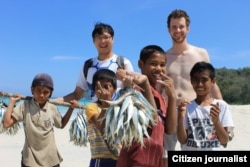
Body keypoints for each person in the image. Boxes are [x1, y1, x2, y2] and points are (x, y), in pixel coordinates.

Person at [164, 9, 223, 153]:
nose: (178, 30)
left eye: (181, 26)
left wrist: (221, 110)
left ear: (188, 28)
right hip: (169, 112)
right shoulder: (164, 57)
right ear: (168, 30)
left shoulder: (200, 53)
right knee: (165, 155)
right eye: (174, 27)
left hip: (194, 111)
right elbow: (159, 88)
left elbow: (212, 84)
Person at [116, 45, 177, 167]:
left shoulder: (161, 98)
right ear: (140, 64)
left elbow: (170, 130)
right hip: (135, 160)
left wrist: (172, 97)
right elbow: (152, 119)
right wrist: (144, 83)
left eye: (162, 64)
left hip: (154, 160)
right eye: (153, 64)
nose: (159, 68)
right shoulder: (135, 91)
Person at [3, 73, 79, 167]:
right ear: (32, 90)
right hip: (30, 160)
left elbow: (61, 125)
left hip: (51, 160)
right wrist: (12, 102)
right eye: (38, 91)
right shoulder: (25, 106)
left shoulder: (52, 108)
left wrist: (71, 109)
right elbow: (6, 124)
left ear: (50, 93)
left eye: (46, 92)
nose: (42, 95)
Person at [57, 22, 133, 103]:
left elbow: (132, 94)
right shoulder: (88, 65)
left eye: (106, 37)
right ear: (93, 41)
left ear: (113, 39)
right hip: (94, 114)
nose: (102, 41)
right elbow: (76, 94)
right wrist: (52, 101)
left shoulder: (123, 63)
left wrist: (128, 83)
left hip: (117, 114)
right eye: (98, 37)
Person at [177, 61, 234, 150]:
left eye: (204, 80)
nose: (200, 84)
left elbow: (224, 140)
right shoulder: (186, 107)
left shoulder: (221, 106)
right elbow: (182, 140)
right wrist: (180, 117)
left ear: (213, 81)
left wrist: (216, 122)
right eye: (196, 79)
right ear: (191, 81)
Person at [84, 69, 120, 167]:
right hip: (100, 158)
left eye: (106, 87)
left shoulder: (118, 109)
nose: (102, 91)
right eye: (98, 87)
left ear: (115, 89)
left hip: (119, 158)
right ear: (94, 90)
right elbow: (100, 126)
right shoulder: (92, 107)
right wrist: (105, 104)